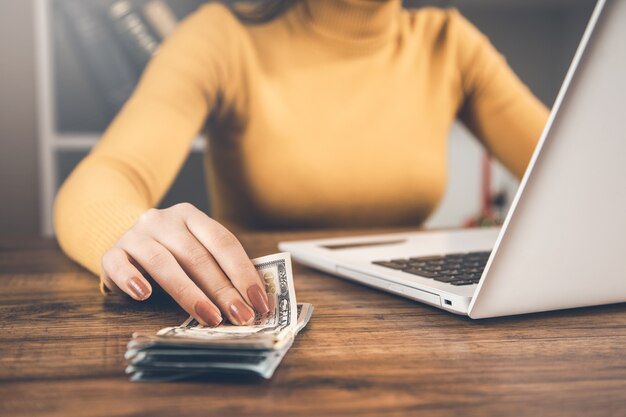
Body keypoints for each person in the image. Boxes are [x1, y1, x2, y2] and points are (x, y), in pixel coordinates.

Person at [54, 0, 548, 327]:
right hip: (261, 320)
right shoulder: (221, 36)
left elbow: (573, 172)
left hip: (416, 322)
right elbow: (106, 173)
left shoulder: (450, 42)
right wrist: (130, 232)